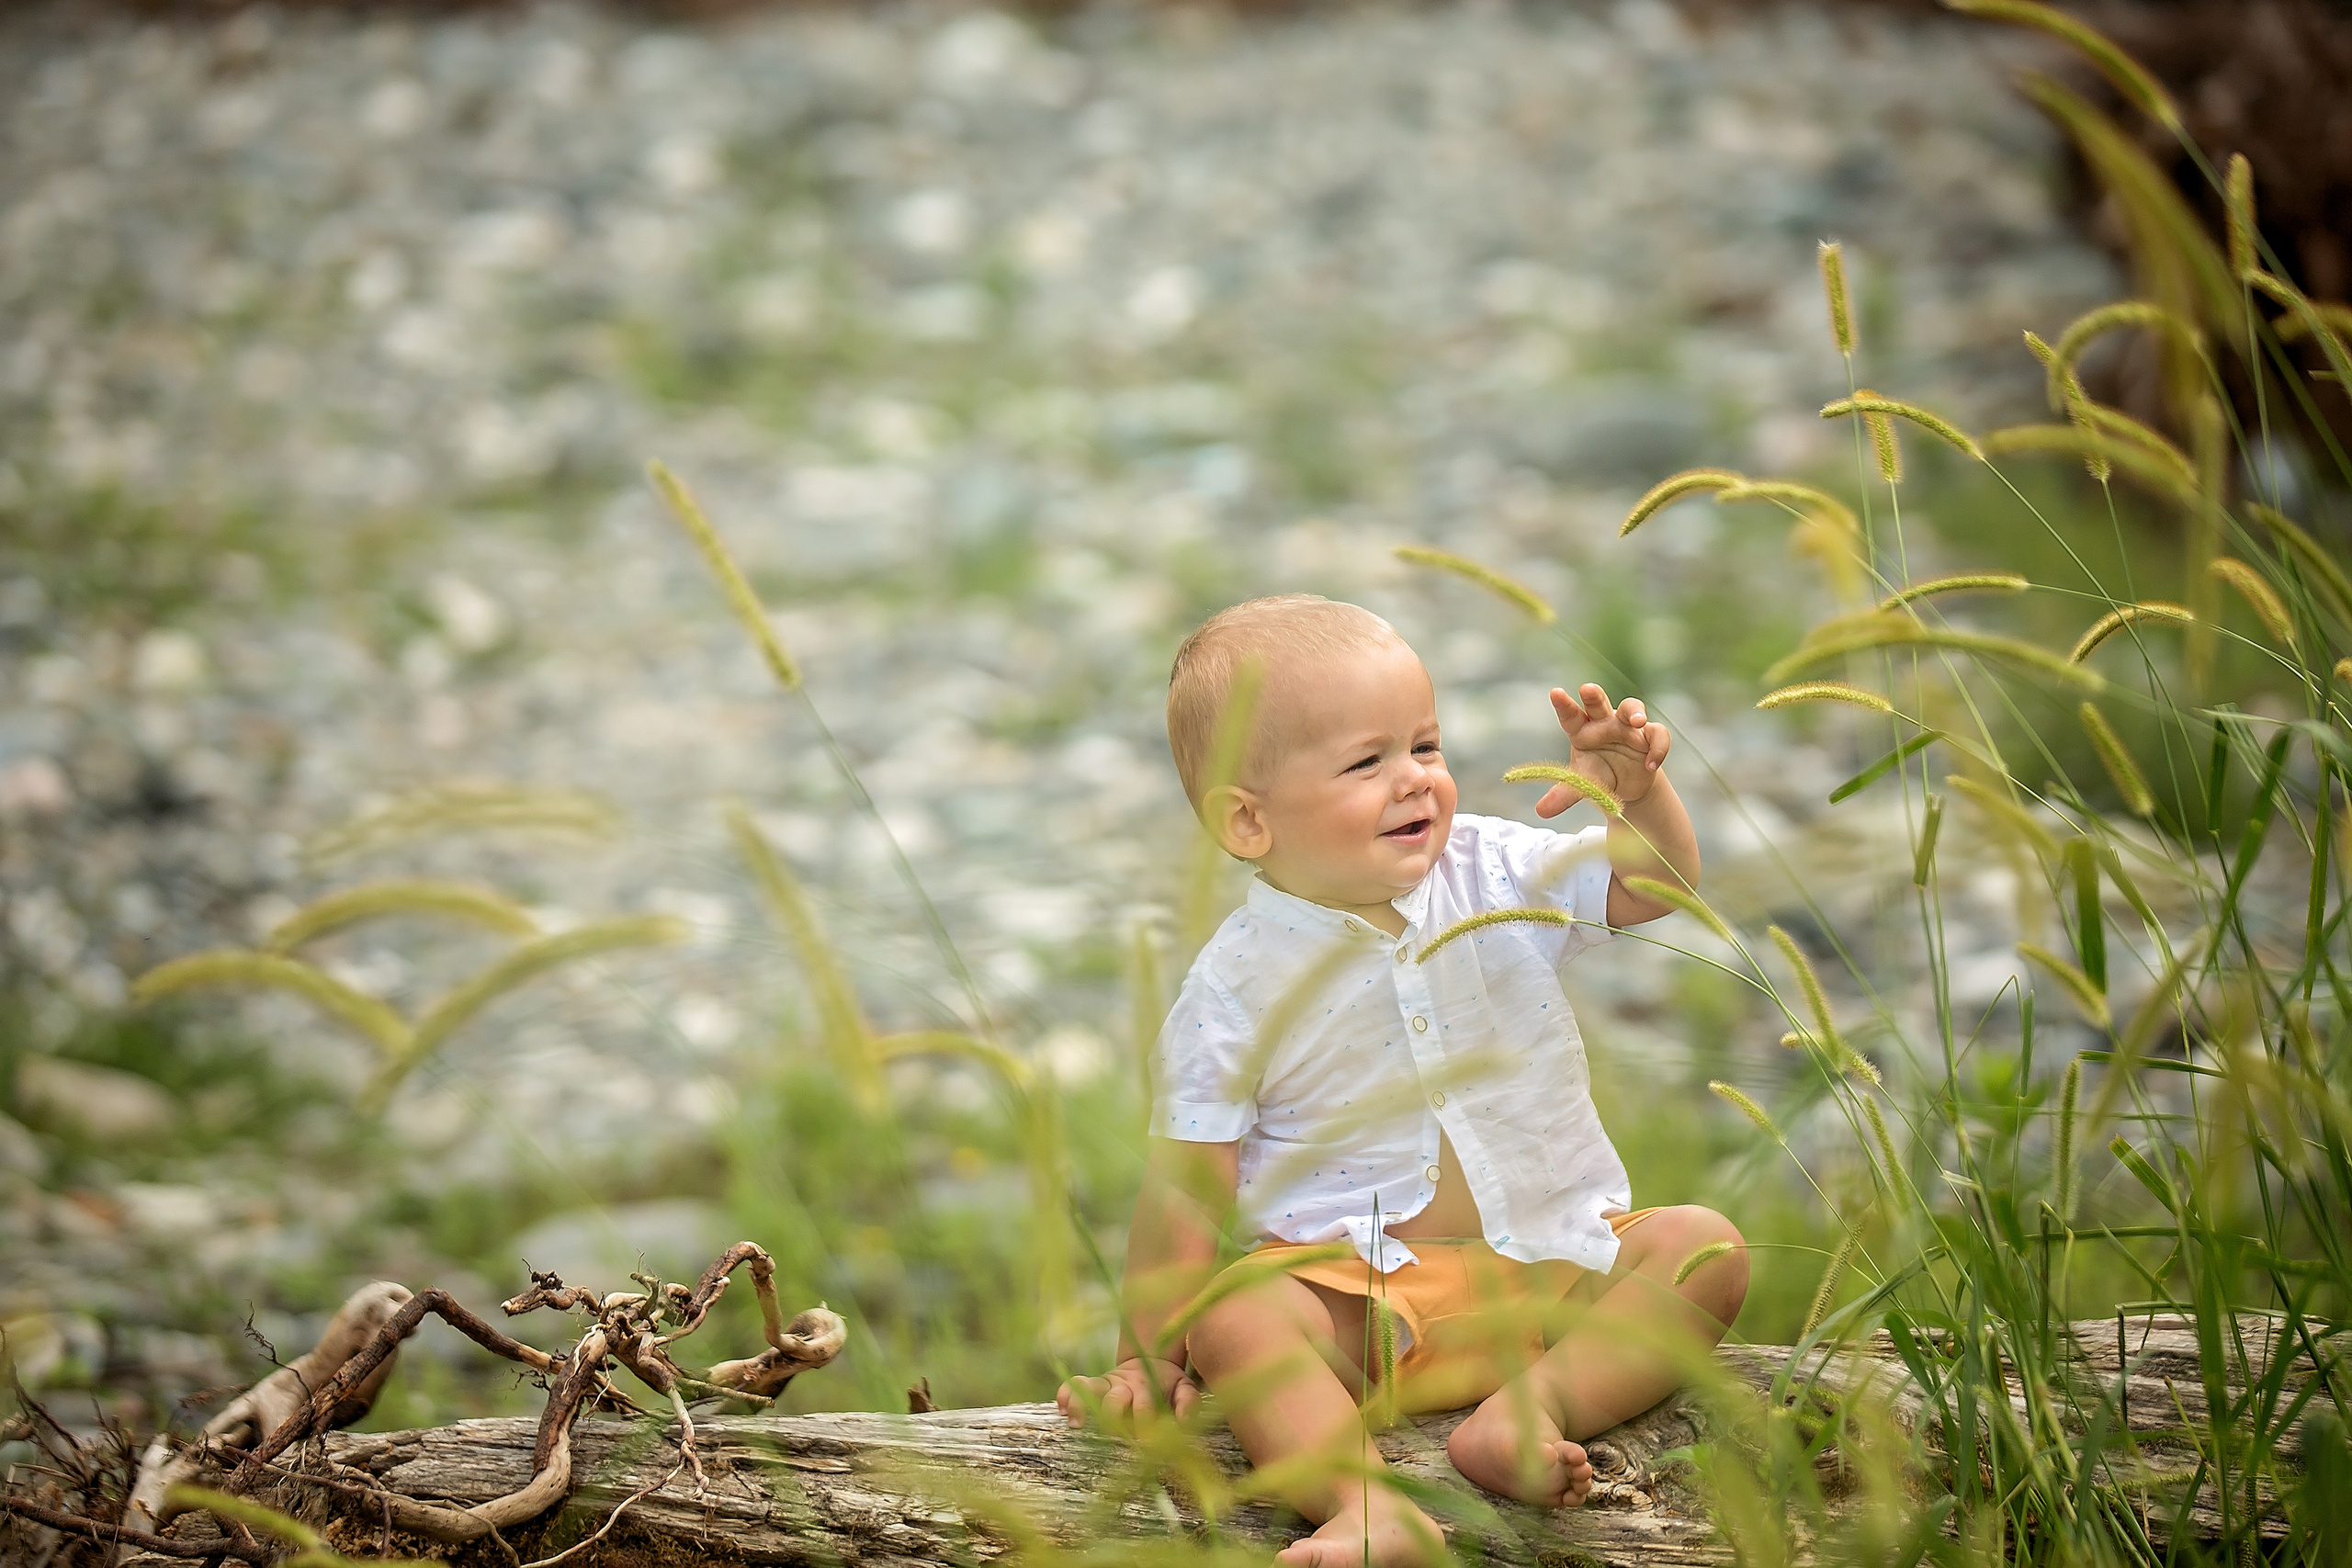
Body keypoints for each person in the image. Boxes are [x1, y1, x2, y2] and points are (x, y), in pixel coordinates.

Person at [1055, 594, 1747, 1566]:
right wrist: (1145, 1354)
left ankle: (1523, 1415)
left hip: (1549, 1267)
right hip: (1364, 1308)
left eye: (1425, 745)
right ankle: (1365, 1506)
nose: (1414, 780)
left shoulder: (1491, 871)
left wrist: (1638, 797)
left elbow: (1652, 888)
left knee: (1700, 1251)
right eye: (1364, 762)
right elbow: (1188, 1184)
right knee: (1238, 1319)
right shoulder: (1236, 984)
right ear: (1250, 820)